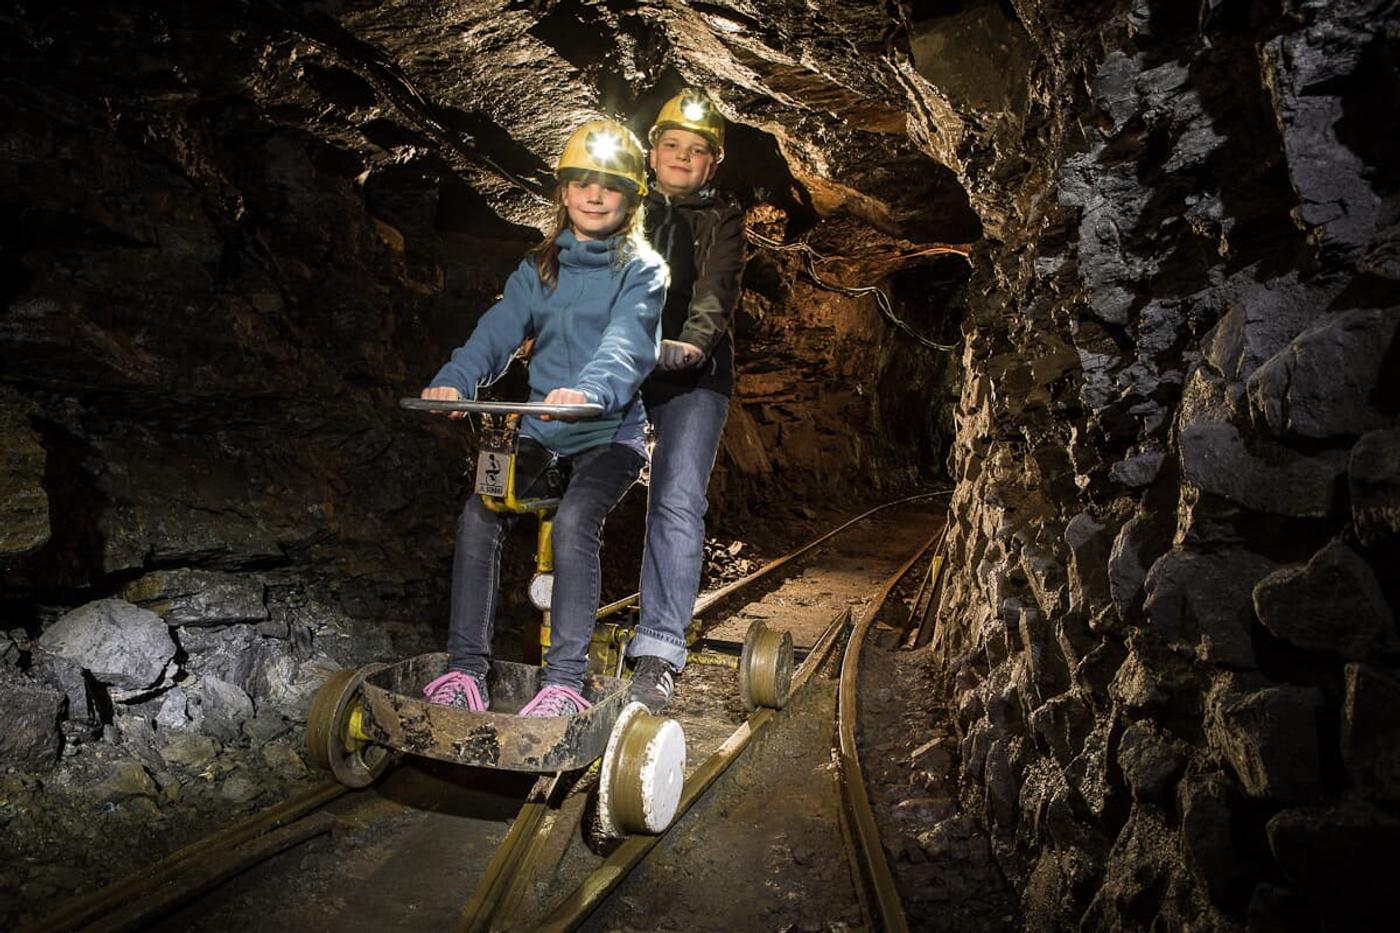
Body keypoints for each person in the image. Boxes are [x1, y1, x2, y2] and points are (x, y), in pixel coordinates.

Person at [418, 118, 666, 718]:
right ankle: (464, 672)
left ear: (632, 197)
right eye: (581, 180)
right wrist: (457, 378)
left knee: (578, 519)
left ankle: (565, 683)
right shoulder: (539, 268)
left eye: (609, 184)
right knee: (482, 513)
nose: (594, 193)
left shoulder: (643, 270)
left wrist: (590, 390)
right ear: (563, 191)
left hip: (610, 435)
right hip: (542, 433)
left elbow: (628, 345)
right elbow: (498, 331)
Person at [626, 89, 746, 712]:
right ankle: (557, 610)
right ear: (651, 153)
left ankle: (659, 652)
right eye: (671, 144)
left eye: (696, 150)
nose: (682, 156)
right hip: (623, 367)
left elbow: (717, 291)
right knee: (586, 476)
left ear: (711, 164)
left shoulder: (721, 218)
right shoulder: (620, 202)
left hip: (692, 374)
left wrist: (693, 345)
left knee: (675, 499)